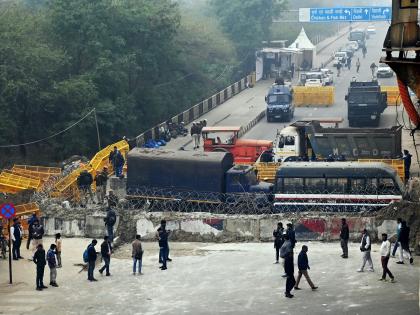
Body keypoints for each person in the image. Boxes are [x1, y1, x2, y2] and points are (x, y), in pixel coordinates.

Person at [280, 234, 295, 298]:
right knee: (291, 280)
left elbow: (281, 255)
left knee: (290, 279)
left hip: (288, 262)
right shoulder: (288, 244)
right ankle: (287, 292)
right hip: (288, 263)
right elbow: (284, 254)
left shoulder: (285, 244)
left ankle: (287, 291)